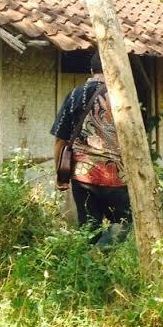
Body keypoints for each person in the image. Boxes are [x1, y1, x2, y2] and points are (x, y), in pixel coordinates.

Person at [50, 52, 132, 246]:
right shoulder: (123, 98)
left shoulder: (75, 95)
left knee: (89, 229)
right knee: (123, 224)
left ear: (91, 70)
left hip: (82, 177)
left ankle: (92, 261)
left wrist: (61, 176)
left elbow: (60, 141)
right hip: (117, 177)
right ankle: (99, 256)